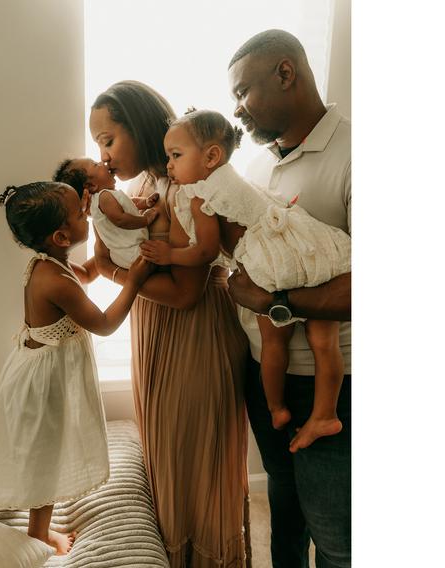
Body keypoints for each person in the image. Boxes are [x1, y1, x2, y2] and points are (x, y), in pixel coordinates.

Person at [88, 80, 251, 567]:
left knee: (194, 463)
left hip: (194, 332)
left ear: (138, 127)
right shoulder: (137, 191)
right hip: (155, 330)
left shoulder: (187, 186)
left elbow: (184, 293)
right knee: (164, 458)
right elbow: (104, 254)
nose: (104, 154)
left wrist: (120, 273)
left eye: (108, 139)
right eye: (98, 144)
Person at [139, 108, 351, 452]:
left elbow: (206, 252)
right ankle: (326, 413)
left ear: (211, 156)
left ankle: (277, 408)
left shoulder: (200, 195)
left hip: (273, 264)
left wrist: (171, 255)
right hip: (309, 247)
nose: (169, 166)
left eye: (175, 156)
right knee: (324, 341)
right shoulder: (235, 177)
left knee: (273, 341)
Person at [226, 29, 353, 568]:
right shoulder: (257, 166)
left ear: (285, 73)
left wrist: (269, 299)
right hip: (267, 373)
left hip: (332, 384)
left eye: (242, 92)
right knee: (284, 508)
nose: (237, 111)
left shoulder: (356, 155)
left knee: (336, 537)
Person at [0, 181, 152, 555]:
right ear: (60, 235)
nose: (88, 213)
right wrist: (133, 280)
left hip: (36, 369)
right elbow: (103, 324)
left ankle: (32, 517)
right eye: (81, 214)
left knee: (38, 445)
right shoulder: (54, 279)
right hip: (44, 381)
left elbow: (85, 275)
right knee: (46, 451)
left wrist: (103, 255)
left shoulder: (49, 263)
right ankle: (38, 533)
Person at [54, 157, 159, 269]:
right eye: (95, 164)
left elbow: (127, 203)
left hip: (123, 255)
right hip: (133, 252)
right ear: (91, 186)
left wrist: (145, 202)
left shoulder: (102, 200)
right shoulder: (104, 197)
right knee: (155, 263)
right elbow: (121, 219)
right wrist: (145, 219)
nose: (102, 162)